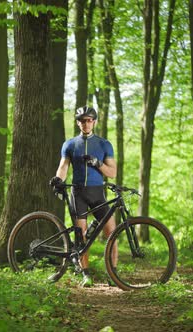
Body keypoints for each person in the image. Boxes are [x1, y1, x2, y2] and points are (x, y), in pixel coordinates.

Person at [49, 106, 118, 287]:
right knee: (82, 237)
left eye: (89, 120)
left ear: (94, 121)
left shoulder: (104, 144)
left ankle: (114, 273)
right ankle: (85, 274)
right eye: (82, 120)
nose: (85, 123)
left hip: (97, 193)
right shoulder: (70, 144)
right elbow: (63, 166)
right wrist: (58, 179)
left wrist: (98, 164)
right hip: (78, 193)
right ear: (78, 122)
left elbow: (112, 173)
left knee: (112, 232)